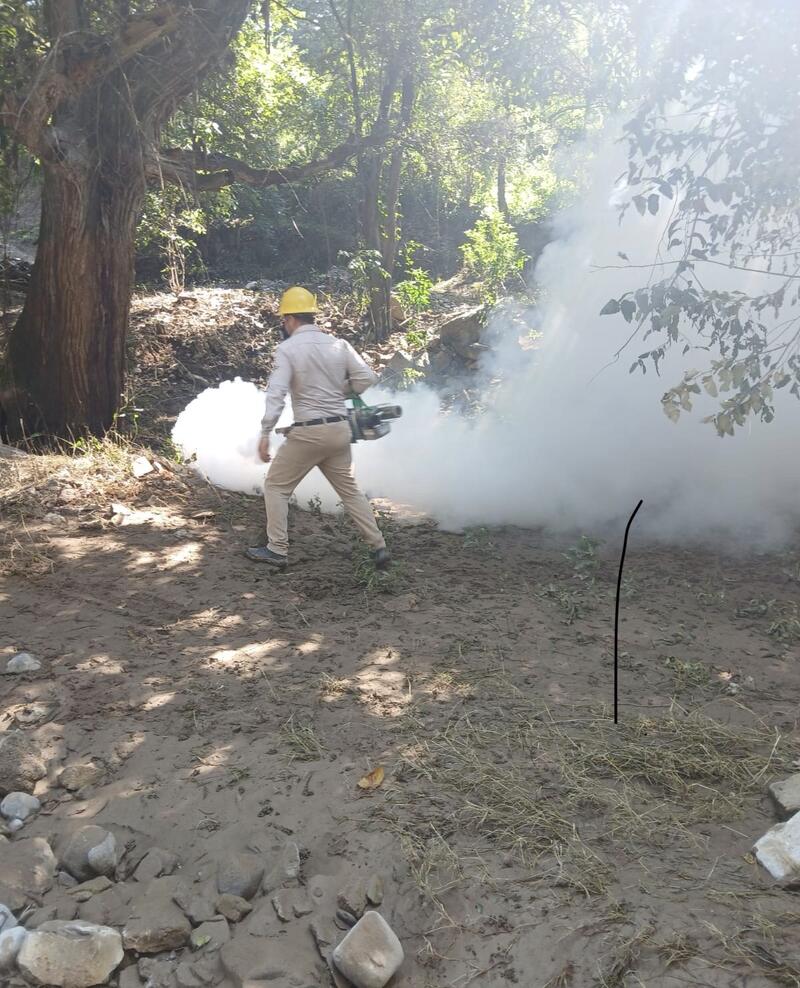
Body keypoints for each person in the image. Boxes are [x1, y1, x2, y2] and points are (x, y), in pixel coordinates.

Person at [246, 286, 391, 570]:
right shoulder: (338, 344)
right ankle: (379, 547)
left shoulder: (287, 349)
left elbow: (276, 394)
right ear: (312, 315)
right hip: (340, 431)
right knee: (350, 492)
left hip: (309, 433)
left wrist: (265, 432)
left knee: (276, 486)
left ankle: (276, 549)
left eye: (284, 320)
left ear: (289, 319)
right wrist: (341, 391)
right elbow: (367, 377)